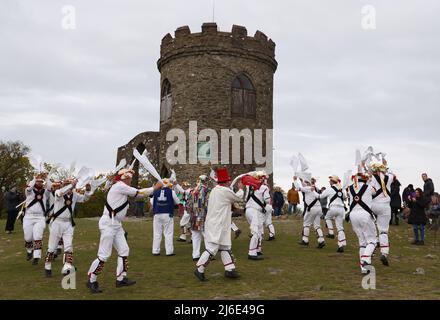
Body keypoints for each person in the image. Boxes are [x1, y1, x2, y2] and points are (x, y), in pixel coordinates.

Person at [86, 169, 162, 294]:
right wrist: (155, 187)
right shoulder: (120, 186)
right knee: (104, 254)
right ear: (124, 178)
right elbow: (139, 193)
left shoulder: (120, 186)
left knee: (124, 250)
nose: (131, 180)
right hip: (109, 223)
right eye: (129, 178)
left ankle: (121, 278)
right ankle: (92, 279)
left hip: (116, 224)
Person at [194, 167, 245, 282]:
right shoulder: (224, 191)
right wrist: (241, 189)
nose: (229, 182)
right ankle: (200, 269)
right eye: (228, 180)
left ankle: (230, 269)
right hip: (217, 224)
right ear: (226, 181)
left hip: (218, 223)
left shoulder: (216, 190)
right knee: (212, 248)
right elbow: (238, 198)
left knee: (225, 246)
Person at [44, 179, 94, 277]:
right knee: (52, 247)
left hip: (68, 224)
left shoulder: (75, 195)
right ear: (63, 185)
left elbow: (84, 199)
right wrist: (70, 185)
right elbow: (60, 193)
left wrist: (88, 190)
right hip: (56, 223)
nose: (70, 187)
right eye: (67, 184)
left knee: (68, 246)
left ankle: (67, 266)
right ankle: (47, 266)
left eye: (70, 185)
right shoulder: (58, 192)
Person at [348, 172, 377, 274]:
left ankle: (364, 269)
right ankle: (365, 259)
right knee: (372, 240)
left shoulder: (350, 188)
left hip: (353, 215)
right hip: (364, 215)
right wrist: (371, 180)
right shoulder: (368, 187)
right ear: (365, 179)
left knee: (362, 242)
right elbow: (375, 191)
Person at [23, 173, 52, 265]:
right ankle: (29, 250)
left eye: (41, 181)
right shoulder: (29, 191)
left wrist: (46, 178)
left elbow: (50, 187)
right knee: (28, 237)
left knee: (37, 237)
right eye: (37, 181)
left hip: (40, 217)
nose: (39, 183)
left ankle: (36, 256)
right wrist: (35, 178)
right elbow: (29, 187)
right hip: (28, 217)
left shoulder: (45, 192)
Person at [369, 161, 394, 267]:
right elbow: (393, 174)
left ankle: (371, 250)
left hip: (374, 205)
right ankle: (384, 253)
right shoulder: (389, 178)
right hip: (385, 207)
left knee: (371, 229)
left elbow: (372, 192)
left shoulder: (372, 178)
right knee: (383, 231)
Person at [243, 171, 271, 261]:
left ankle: (257, 249)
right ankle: (252, 253)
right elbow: (267, 200)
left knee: (258, 230)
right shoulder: (264, 188)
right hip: (255, 211)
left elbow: (245, 198)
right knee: (256, 232)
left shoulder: (249, 187)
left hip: (248, 211)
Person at [294, 175, 325, 248]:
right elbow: (304, 186)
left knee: (306, 224)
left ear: (308, 182)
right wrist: (301, 180)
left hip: (312, 209)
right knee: (317, 226)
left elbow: (298, 188)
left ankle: (305, 240)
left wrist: (295, 180)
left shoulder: (308, 188)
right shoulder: (316, 188)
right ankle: (321, 240)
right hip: (319, 208)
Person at [318, 175, 347, 252]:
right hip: (341, 209)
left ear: (332, 181)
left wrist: (314, 192)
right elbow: (345, 197)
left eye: (330, 180)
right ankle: (341, 245)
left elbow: (321, 196)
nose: (329, 181)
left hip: (333, 207)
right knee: (340, 227)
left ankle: (331, 233)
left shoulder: (329, 189)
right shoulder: (341, 189)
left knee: (327, 217)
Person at [152, 179, 180, 256]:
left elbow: (152, 202)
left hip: (157, 213)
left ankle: (155, 251)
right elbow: (178, 202)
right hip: (167, 213)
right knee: (168, 233)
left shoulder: (155, 191)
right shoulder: (171, 191)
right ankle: (169, 251)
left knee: (157, 233)